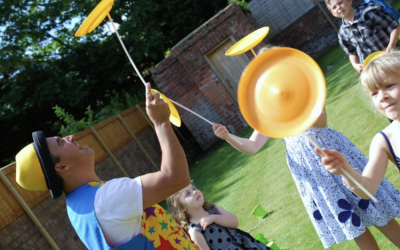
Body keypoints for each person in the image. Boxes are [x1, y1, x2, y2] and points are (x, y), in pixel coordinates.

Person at [213, 46, 400, 249]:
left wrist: (298, 108)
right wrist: (229, 137)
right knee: (355, 225)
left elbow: (321, 121)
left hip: (335, 156)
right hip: (316, 176)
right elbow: (252, 146)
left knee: (378, 210)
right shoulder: (270, 112)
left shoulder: (306, 91)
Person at [15, 83, 199, 249]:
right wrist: (161, 123)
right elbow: (176, 178)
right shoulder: (105, 199)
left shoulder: (79, 206)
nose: (70, 137)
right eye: (61, 142)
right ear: (61, 168)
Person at [318, 51, 400, 202]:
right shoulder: (383, 141)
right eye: (374, 93)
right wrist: (346, 171)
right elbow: (366, 189)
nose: (382, 96)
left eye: (389, 86)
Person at [166, 183, 271, 250]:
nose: (194, 192)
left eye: (193, 188)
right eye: (188, 193)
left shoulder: (213, 209)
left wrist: (214, 218)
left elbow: (234, 222)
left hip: (248, 245)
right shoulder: (195, 231)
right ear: (182, 208)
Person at [325, 0, 400, 73]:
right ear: (333, 14)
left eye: (340, 2)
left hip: (394, 58)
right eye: (334, 7)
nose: (338, 7)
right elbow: (351, 52)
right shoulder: (342, 33)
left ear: (349, 1)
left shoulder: (369, 13)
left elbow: (394, 26)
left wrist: (391, 46)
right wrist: (355, 64)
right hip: (375, 70)